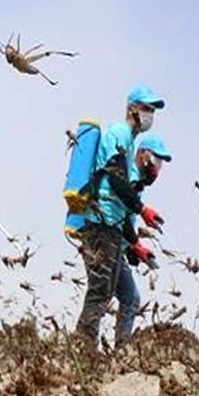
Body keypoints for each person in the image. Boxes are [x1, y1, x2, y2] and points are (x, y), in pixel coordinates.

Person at [74, 85, 166, 345]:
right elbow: (115, 176)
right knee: (100, 291)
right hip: (100, 221)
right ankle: (83, 347)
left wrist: (134, 245)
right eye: (146, 108)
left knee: (110, 293)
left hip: (110, 225)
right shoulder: (119, 132)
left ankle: (92, 347)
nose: (149, 114)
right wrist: (142, 210)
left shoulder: (129, 138)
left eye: (152, 110)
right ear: (132, 108)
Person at [114, 132, 172, 346]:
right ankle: (89, 346)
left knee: (129, 298)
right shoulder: (128, 176)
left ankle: (120, 349)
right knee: (104, 296)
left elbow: (124, 222)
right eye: (156, 160)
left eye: (160, 164)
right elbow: (117, 214)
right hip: (106, 240)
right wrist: (135, 241)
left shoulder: (136, 183)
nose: (156, 168)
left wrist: (133, 248)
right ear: (142, 155)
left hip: (118, 246)